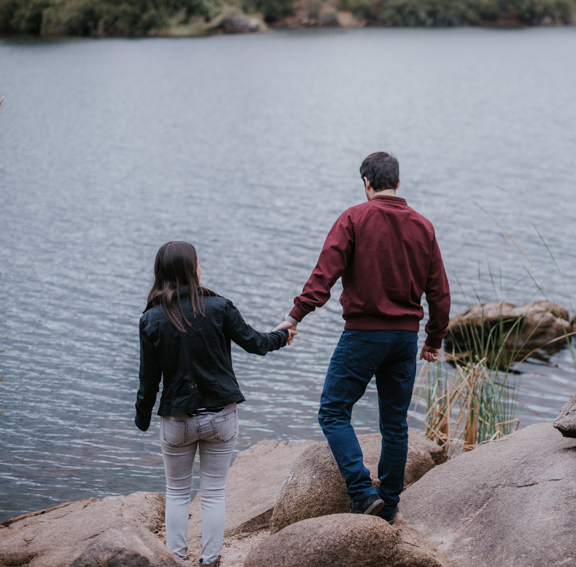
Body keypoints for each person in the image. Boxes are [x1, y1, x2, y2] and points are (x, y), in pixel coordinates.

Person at [278, 152, 450, 524]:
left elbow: (324, 275)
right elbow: (439, 292)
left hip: (363, 336)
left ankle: (360, 490)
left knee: (333, 411)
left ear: (367, 184)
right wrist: (434, 339)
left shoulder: (355, 217)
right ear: (398, 183)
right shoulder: (423, 226)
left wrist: (295, 318)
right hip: (404, 340)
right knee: (394, 423)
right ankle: (387, 504)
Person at [134, 241, 295, 566]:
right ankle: (210, 561)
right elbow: (257, 344)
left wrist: (143, 418)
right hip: (221, 417)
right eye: (198, 262)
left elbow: (148, 380)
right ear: (192, 269)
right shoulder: (219, 307)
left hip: (177, 420)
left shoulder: (151, 319)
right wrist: (283, 334)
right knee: (212, 495)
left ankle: (177, 560)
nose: (201, 267)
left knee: (178, 495)